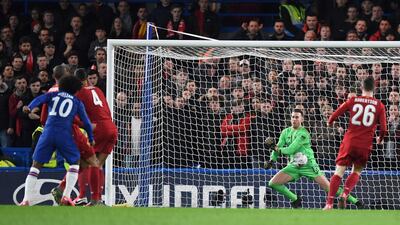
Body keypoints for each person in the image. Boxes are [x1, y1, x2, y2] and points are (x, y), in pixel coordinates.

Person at [19, 75, 94, 206]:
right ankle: (66, 196)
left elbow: (39, 99)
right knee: (75, 162)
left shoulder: (53, 95)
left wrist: (29, 107)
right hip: (64, 134)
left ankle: (26, 200)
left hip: (47, 133)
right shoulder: (77, 101)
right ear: (76, 90)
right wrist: (91, 138)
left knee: (36, 166)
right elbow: (87, 123)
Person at [268, 109, 363, 208]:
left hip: (309, 165)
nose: (294, 119)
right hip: (294, 165)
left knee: (329, 188)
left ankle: (356, 202)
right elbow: (278, 146)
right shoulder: (285, 132)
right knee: (273, 183)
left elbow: (290, 150)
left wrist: (274, 147)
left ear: (302, 119)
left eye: (297, 117)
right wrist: (271, 160)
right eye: (292, 117)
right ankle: (295, 199)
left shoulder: (303, 133)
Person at [324, 76, 387, 210]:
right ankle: (345, 194)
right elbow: (384, 129)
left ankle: (329, 204)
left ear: (361, 87)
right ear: (374, 88)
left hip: (349, 141)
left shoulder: (353, 100)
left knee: (339, 172)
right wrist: (380, 139)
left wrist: (330, 122)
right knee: (357, 171)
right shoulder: (379, 105)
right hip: (365, 144)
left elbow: (334, 115)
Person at [75, 68, 118, 205]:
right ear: (87, 78)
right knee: (98, 164)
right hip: (111, 127)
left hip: (98, 128)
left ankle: (83, 196)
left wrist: (84, 126)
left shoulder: (79, 93)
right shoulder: (98, 90)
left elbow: (74, 117)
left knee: (85, 161)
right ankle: (98, 199)